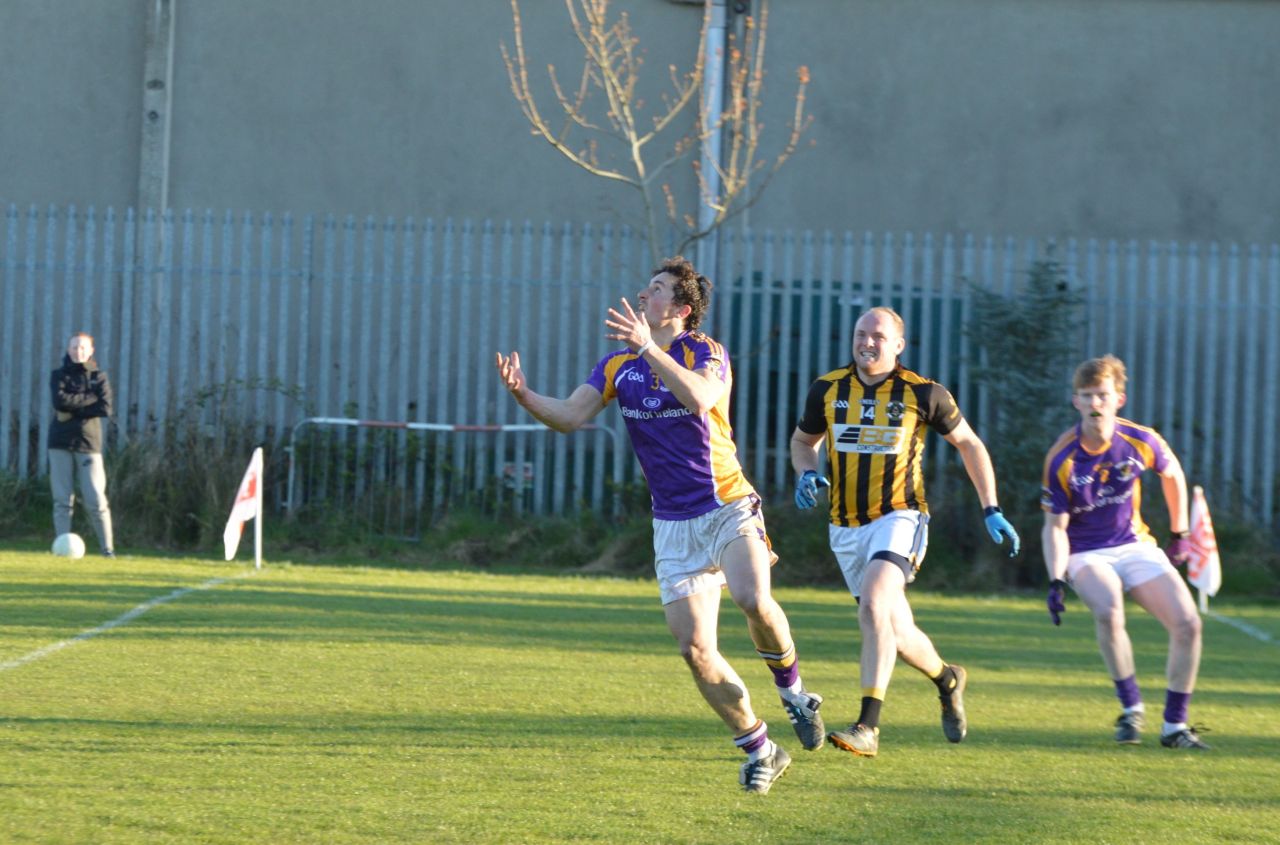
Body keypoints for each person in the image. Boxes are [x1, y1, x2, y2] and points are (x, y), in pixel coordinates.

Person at [495, 257, 823, 795]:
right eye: (647, 288)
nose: (643, 296)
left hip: (726, 503)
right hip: (673, 523)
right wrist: (524, 396)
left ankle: (794, 694)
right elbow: (571, 417)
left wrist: (650, 347)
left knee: (751, 597)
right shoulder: (617, 366)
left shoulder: (705, 352)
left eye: (656, 289)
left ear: (681, 309)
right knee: (695, 650)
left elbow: (701, 397)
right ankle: (761, 747)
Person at [789, 305, 1019, 758]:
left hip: (900, 516)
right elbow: (802, 441)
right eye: (861, 334)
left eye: (878, 335)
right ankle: (947, 679)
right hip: (844, 527)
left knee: (874, 603)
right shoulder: (828, 389)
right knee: (894, 628)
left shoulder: (923, 393)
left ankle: (867, 727)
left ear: (899, 345)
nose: (867, 342)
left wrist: (991, 508)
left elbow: (969, 443)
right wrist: (805, 473)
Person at [1040, 354, 1208, 749]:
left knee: (1188, 625)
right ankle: (1132, 709)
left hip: (1134, 545)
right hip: (1086, 552)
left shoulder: (1140, 439)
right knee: (1109, 609)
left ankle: (1174, 727)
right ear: (1075, 402)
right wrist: (1055, 577)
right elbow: (1055, 527)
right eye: (1087, 396)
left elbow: (1173, 474)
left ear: (1119, 399)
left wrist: (1180, 532)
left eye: (1102, 395)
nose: (1095, 403)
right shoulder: (1062, 457)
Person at [48, 331, 116, 556]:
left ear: (91, 351)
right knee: (62, 501)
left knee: (96, 500)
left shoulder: (99, 377)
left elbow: (104, 408)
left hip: (88, 444)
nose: (78, 351)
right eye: (75, 347)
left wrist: (74, 406)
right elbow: (60, 401)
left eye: (83, 347)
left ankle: (107, 549)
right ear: (68, 349)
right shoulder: (58, 375)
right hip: (59, 443)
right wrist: (89, 400)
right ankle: (61, 547)